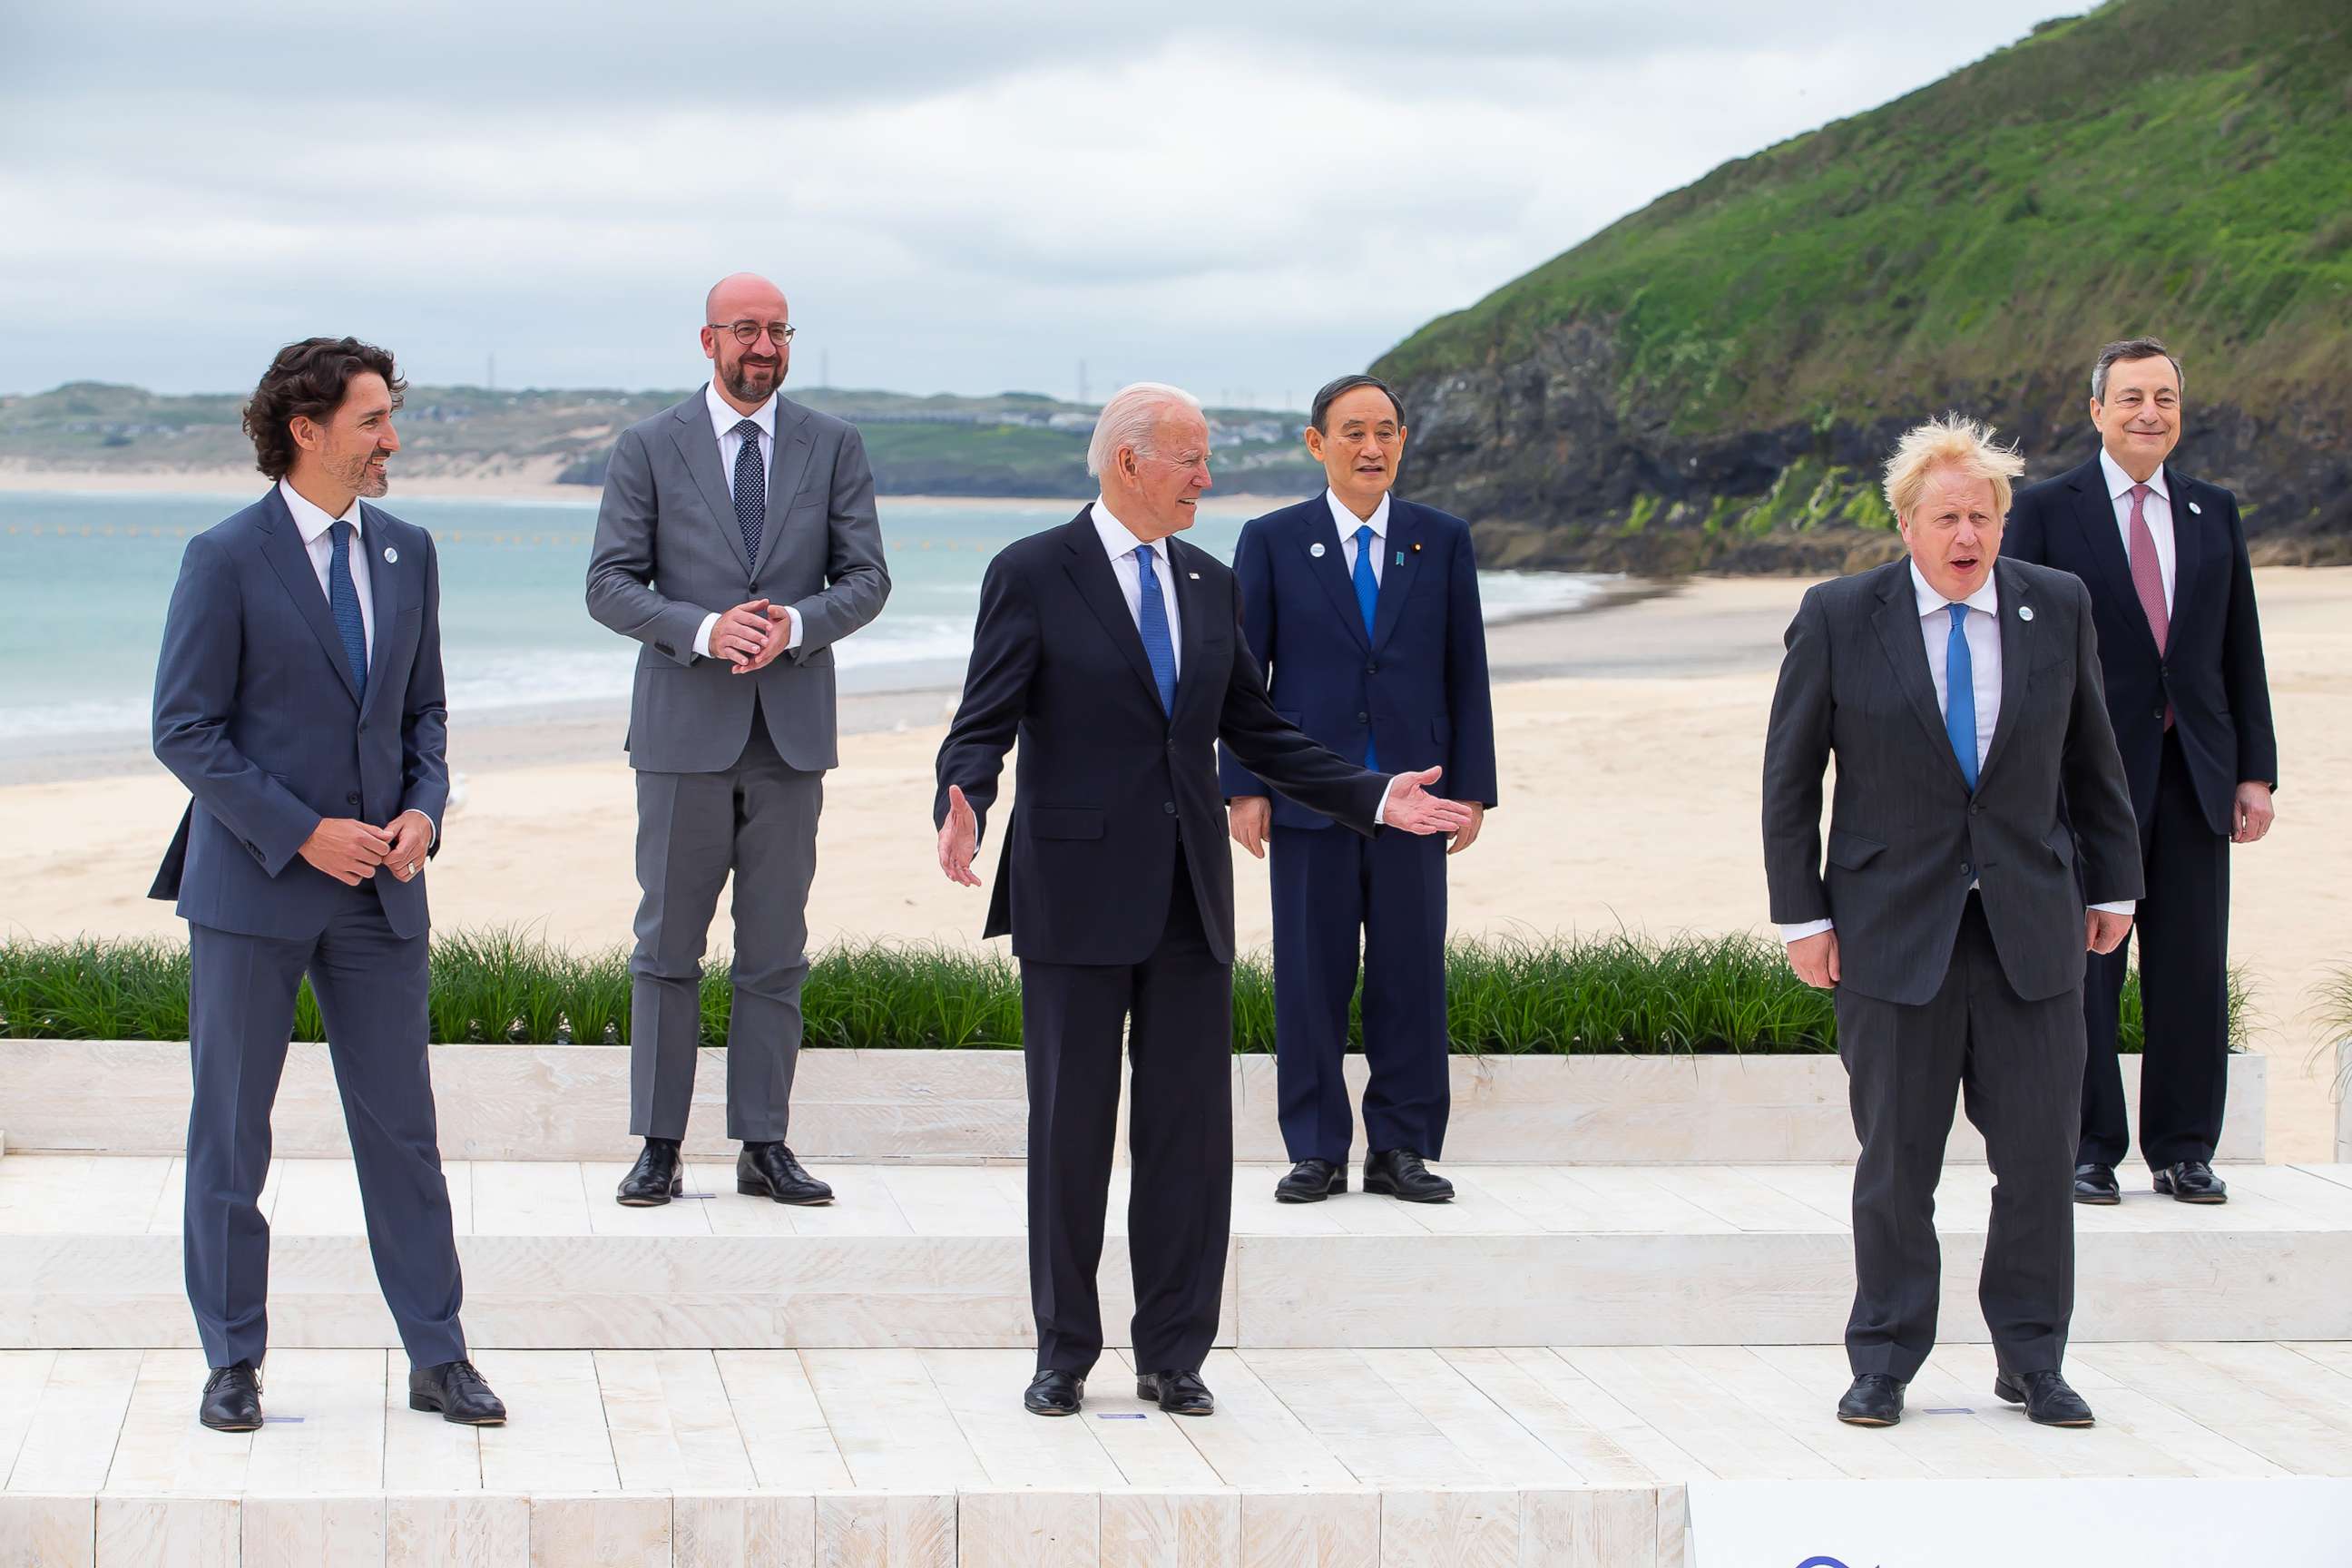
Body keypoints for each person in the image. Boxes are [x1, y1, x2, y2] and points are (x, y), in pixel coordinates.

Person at [932, 383, 1474, 1419]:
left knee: (1188, 1142)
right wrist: (963, 796)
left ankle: (1173, 1355)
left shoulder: (1209, 581)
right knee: (1072, 1136)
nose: (1207, 478)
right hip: (1074, 895)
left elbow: (1258, 733)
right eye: (1192, 459)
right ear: (1129, 463)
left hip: (1190, 900)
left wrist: (1370, 795)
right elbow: (985, 714)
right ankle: (1064, 1353)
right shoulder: (1033, 572)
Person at [1761, 414, 2141, 1430]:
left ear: (2003, 521)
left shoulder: (2057, 607)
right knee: (1897, 1168)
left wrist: (2115, 890)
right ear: (1907, 525)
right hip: (1891, 932)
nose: (1965, 535)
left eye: (1981, 516)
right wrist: (1802, 913)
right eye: (1946, 517)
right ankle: (1884, 1357)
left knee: (2037, 1166)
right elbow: (1791, 780)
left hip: (2034, 927)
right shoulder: (1841, 615)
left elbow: (2094, 759)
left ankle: (2032, 1360)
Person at [151, 337, 504, 1432]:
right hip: (254, 893)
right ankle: (232, 1363)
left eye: (390, 418)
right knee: (232, 1134)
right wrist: (304, 833)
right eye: (372, 422)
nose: (391, 439)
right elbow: (185, 731)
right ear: (306, 432)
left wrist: (422, 812)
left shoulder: (410, 551)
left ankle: (440, 1358)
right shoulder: (223, 558)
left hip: (383, 896)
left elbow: (425, 714)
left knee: (403, 1132)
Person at [586, 273, 889, 1210]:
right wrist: (707, 629)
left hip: (790, 734)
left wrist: (793, 626)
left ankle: (765, 1144)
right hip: (682, 732)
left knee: (774, 951)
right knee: (667, 947)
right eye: (747, 331)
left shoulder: (834, 447)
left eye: (779, 331)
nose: (764, 347)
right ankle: (659, 1146)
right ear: (709, 340)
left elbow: (868, 579)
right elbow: (609, 584)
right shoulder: (647, 448)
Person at [2003, 338, 2278, 1207]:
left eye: (2164, 397)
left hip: (2196, 773)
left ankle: (2185, 1148)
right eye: (2130, 398)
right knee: (2087, 964)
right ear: (2096, 411)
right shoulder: (2047, 509)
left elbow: (2240, 648)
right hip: (2083, 778)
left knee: (2192, 967)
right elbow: (2020, 648)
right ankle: (2090, 1147)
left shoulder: (2212, 510)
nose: (2148, 412)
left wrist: (2255, 773)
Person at [1219, 374, 1496, 1204]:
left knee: (1410, 976)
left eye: (1385, 433)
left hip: (1421, 796)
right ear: (1317, 444)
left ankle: (1401, 1148)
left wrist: (1475, 787)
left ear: (1403, 443)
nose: (1370, 448)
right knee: (1309, 975)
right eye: (1352, 433)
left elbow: (1465, 669)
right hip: (1307, 795)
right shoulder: (1271, 540)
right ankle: (1314, 1148)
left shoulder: (1441, 539)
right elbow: (1242, 678)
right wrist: (1244, 785)